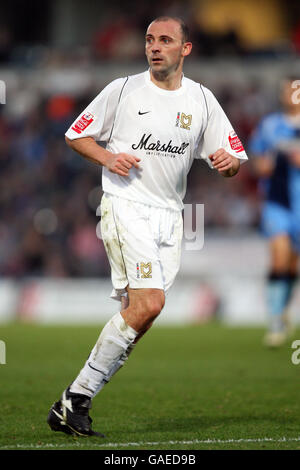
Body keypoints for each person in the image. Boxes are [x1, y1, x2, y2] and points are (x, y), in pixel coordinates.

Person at [47, 16, 248, 437]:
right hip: (126, 206)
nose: (155, 47)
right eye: (150, 40)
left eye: (165, 40)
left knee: (141, 314)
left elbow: (230, 158)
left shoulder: (202, 100)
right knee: (150, 304)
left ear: (185, 49)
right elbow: (75, 134)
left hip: (170, 218)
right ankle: (75, 399)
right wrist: (108, 158)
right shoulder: (123, 90)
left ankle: (74, 402)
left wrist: (229, 166)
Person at [249, 77, 300, 347]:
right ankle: (275, 321)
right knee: (279, 259)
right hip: (277, 202)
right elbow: (256, 161)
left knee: (292, 265)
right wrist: (263, 166)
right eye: (287, 90)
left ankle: (282, 310)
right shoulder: (270, 126)